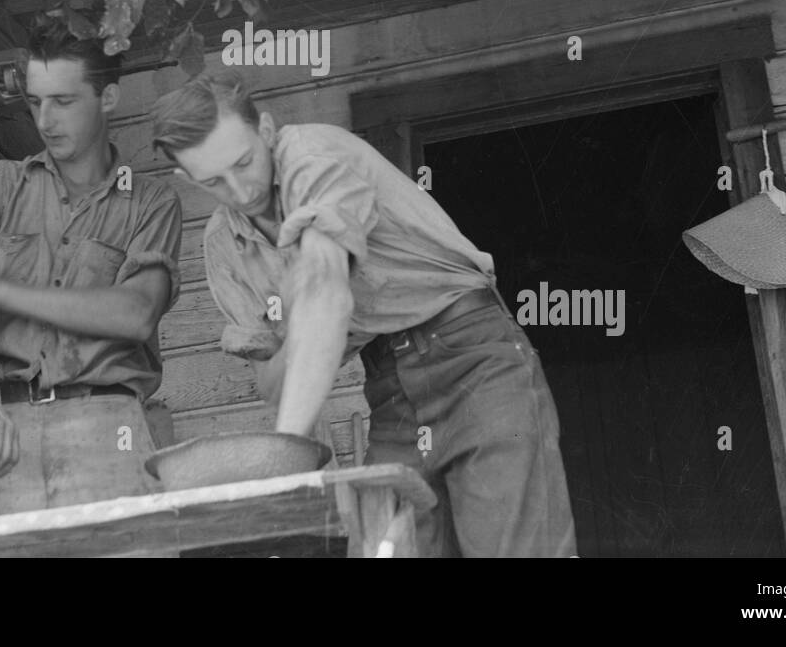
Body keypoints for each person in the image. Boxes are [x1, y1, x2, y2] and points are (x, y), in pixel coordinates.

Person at [149, 68, 576, 557]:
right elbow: (271, 383)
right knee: (384, 546)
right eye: (214, 182)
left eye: (244, 162)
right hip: (391, 388)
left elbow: (328, 287)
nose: (241, 190)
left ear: (266, 131)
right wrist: (295, 324)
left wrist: (283, 458)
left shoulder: (312, 157)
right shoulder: (225, 245)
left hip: (474, 358)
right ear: (186, 179)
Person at [0, 30, 182, 521]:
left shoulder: (150, 201)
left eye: (64, 101)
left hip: (106, 431)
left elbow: (136, 313)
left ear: (109, 98)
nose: (45, 120)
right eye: (35, 102)